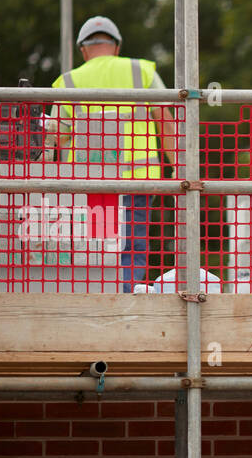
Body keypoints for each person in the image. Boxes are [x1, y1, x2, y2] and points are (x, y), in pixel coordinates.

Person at [45, 16, 178, 291]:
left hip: (87, 186)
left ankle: (94, 308)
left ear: (83, 49)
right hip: (136, 181)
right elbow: (164, 119)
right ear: (116, 46)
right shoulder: (141, 71)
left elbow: (55, 138)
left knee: (91, 251)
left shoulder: (69, 81)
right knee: (131, 247)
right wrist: (179, 164)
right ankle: (126, 309)